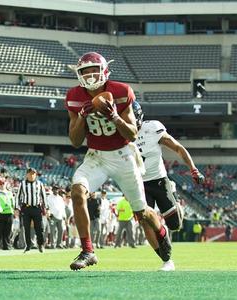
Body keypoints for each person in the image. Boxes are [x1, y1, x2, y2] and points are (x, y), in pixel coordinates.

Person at [65, 51, 172, 270]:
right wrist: (83, 116)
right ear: (79, 74)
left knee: (143, 214)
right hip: (96, 156)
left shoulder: (121, 91)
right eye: (85, 71)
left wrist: (114, 116)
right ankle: (88, 251)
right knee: (77, 192)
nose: (91, 75)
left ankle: (161, 234)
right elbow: (75, 141)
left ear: (104, 71)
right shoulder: (74, 96)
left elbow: (132, 134)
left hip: (123, 155)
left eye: (94, 70)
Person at [133, 101, 205, 270]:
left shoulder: (152, 128)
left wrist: (193, 169)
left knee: (175, 225)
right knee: (144, 221)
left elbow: (178, 148)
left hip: (159, 180)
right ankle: (165, 258)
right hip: (137, 183)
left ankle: (176, 201)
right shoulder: (119, 132)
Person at [17, 168, 47, 253]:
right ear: (27, 174)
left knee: (39, 228)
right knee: (26, 228)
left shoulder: (39, 184)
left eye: (34, 174)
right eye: (30, 174)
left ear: (36, 175)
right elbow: (18, 196)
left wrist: (46, 208)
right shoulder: (22, 184)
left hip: (37, 208)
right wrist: (17, 208)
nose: (32, 175)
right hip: (26, 208)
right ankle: (28, 245)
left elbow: (43, 196)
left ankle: (40, 245)